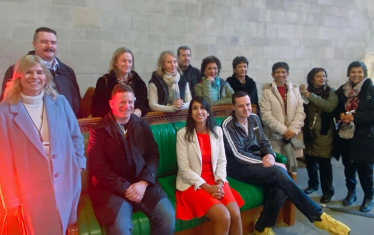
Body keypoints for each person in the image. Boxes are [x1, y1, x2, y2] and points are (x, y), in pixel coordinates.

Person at [221, 91, 350, 235]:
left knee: (280, 187)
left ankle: (261, 228)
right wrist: (269, 163)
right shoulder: (227, 125)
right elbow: (238, 155)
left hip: (256, 161)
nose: (246, 109)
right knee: (278, 172)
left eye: (248, 104)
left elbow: (263, 142)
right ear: (233, 107)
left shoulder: (254, 118)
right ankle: (317, 216)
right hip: (238, 167)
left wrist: (269, 154)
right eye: (240, 106)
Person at [0, 55, 86, 234]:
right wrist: (12, 201)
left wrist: (78, 165)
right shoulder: (5, 111)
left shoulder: (60, 102)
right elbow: (4, 162)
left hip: (65, 182)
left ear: (46, 76)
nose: (35, 76)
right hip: (30, 192)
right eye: (28, 72)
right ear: (18, 77)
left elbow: (76, 137)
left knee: (63, 226)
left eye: (40, 72)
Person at [88, 83, 175, 235]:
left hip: (143, 182)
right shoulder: (98, 131)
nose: (127, 106)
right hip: (112, 189)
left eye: (130, 102)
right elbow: (99, 169)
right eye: (122, 102)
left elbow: (153, 155)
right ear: (112, 103)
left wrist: (144, 182)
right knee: (121, 229)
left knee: (167, 217)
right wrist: (125, 188)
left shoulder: (141, 124)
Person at [175, 96, 244, 235]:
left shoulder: (217, 131)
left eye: (202, 108)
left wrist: (219, 183)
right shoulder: (182, 134)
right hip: (193, 184)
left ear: (208, 112)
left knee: (235, 215)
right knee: (224, 217)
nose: (199, 111)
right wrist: (207, 187)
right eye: (195, 108)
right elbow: (184, 169)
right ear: (190, 113)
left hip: (216, 180)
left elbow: (222, 160)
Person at [1, 27, 81, 117]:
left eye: (53, 42)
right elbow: (8, 102)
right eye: (44, 42)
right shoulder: (17, 69)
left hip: (67, 124)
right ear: (34, 44)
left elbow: (76, 100)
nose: (49, 46)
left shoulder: (67, 71)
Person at [334, 61, 374, 212]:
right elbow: (337, 106)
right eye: (353, 72)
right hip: (345, 135)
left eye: (359, 72)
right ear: (348, 73)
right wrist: (341, 114)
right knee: (348, 168)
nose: (356, 75)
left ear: (364, 73)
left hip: (363, 137)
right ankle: (352, 193)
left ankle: (369, 197)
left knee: (365, 171)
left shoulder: (370, 90)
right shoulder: (344, 90)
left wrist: (354, 117)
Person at [299, 68, 338, 203]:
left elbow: (329, 106)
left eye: (324, 76)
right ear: (311, 79)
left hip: (324, 133)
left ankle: (327, 191)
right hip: (310, 132)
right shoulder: (307, 92)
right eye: (319, 76)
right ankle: (313, 184)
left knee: (324, 164)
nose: (322, 78)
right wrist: (302, 93)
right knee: (310, 161)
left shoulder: (331, 92)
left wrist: (310, 96)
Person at [260, 62, 305, 170]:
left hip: (291, 135)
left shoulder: (295, 90)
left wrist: (292, 130)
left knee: (291, 166)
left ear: (287, 73)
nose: (280, 75)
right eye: (277, 72)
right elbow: (266, 116)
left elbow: (300, 111)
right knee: (277, 166)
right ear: (272, 74)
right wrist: (284, 131)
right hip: (274, 136)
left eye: (283, 72)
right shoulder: (267, 92)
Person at [91, 47, 149, 118]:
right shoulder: (104, 81)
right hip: (112, 123)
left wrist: (139, 110)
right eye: (124, 61)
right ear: (115, 62)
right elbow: (96, 109)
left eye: (130, 61)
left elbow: (144, 104)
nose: (127, 64)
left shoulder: (139, 82)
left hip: (134, 122)